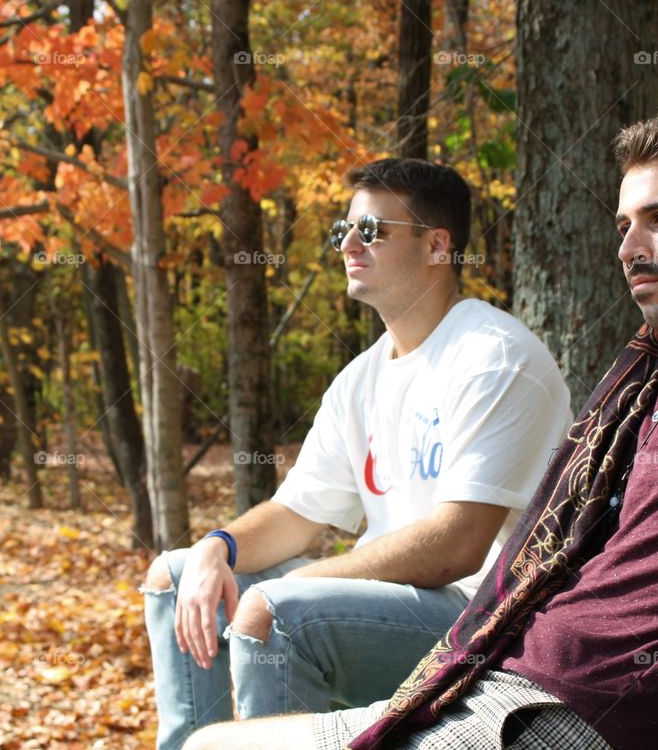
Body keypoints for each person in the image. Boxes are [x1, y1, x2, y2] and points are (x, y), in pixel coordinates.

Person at [182, 112, 658, 750]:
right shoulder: (653, 371)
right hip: (492, 687)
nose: (629, 247)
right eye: (624, 225)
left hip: (564, 721)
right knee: (208, 742)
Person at [142, 157, 572, 749]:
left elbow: (457, 545)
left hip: (488, 624)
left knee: (277, 612)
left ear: (437, 246)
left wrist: (297, 584)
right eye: (341, 230)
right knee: (177, 574)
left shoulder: (494, 358)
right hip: (401, 604)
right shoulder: (360, 378)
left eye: (371, 230)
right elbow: (297, 513)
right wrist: (220, 546)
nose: (348, 243)